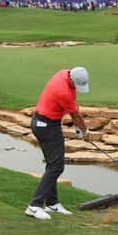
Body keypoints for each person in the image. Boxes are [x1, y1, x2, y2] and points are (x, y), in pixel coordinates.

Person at [26, 67, 90, 220]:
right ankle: (34, 206)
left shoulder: (64, 73)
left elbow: (74, 107)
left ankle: (52, 203)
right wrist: (86, 131)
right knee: (56, 166)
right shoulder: (63, 92)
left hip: (45, 123)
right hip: (46, 126)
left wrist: (79, 128)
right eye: (76, 85)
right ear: (72, 80)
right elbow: (75, 115)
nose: (76, 88)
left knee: (52, 164)